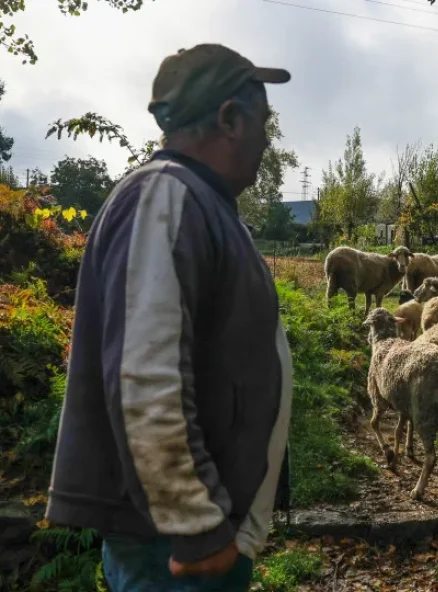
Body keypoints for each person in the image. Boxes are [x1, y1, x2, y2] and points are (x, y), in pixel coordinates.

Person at [44, 44, 294, 591]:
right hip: (175, 549)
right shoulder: (165, 197)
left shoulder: (198, 203)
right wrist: (196, 523)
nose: (265, 138)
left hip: (195, 537)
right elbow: (145, 375)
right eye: (262, 122)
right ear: (229, 118)